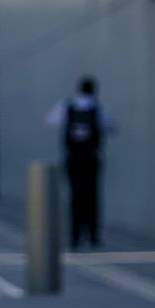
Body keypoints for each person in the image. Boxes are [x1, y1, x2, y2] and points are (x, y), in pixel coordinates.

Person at [44, 78, 116, 248]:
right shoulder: (98, 108)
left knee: (75, 196)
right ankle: (93, 235)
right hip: (92, 158)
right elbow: (112, 127)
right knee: (92, 196)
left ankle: (75, 236)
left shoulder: (66, 106)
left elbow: (50, 121)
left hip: (73, 158)